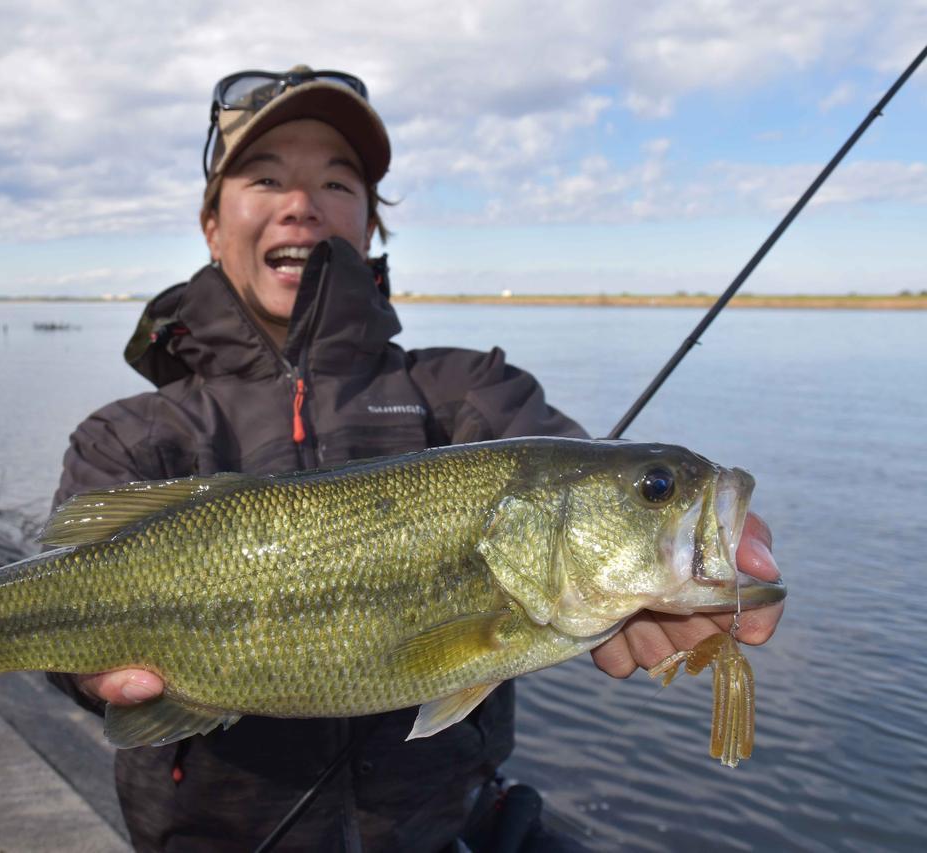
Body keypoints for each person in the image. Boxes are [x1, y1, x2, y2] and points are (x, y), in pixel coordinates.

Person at [48, 66, 783, 852]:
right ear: (210, 223)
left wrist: (716, 562)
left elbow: (583, 466)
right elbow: (62, 619)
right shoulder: (126, 436)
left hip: (434, 830)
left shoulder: (469, 392)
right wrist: (82, 671)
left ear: (369, 225)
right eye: (266, 178)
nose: (302, 203)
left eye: (337, 181)